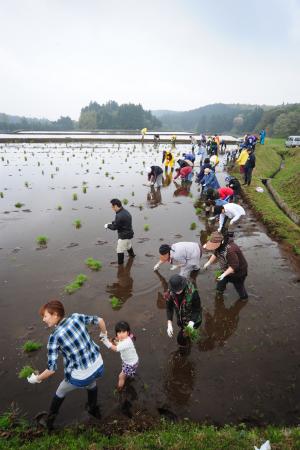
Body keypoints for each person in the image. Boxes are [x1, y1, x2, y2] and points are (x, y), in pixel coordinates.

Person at [27, 300, 107, 430]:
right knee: (91, 382)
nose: (43, 319)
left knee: (61, 390)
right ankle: (93, 408)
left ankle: (49, 421)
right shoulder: (76, 317)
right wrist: (104, 334)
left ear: (56, 315)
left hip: (82, 375)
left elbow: (51, 369)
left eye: (45, 316)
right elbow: (100, 320)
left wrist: (36, 379)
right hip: (99, 366)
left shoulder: (55, 337)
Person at [203, 231, 248, 300]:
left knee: (239, 287)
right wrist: (208, 263)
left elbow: (234, 266)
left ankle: (244, 298)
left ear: (221, 242)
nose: (213, 247)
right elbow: (216, 254)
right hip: (226, 269)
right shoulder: (219, 246)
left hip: (239, 272)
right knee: (220, 282)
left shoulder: (230, 250)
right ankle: (219, 292)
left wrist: (223, 275)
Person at [101, 321, 139, 391]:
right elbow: (117, 341)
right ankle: (130, 375)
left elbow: (116, 349)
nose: (121, 334)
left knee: (121, 376)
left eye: (123, 332)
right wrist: (111, 340)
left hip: (130, 364)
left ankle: (119, 389)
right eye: (119, 332)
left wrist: (105, 342)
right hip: (130, 361)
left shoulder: (127, 342)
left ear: (127, 333)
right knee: (127, 374)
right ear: (116, 333)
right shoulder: (124, 338)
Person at [165, 274, 202, 345]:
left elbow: (197, 310)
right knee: (184, 334)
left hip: (194, 320)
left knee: (181, 340)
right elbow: (169, 308)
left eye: (179, 289)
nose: (177, 292)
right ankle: (187, 340)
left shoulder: (193, 293)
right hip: (181, 320)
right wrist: (169, 323)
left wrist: (191, 323)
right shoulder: (170, 292)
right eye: (175, 290)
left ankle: (186, 346)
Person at [105, 199, 135, 265]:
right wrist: (112, 222)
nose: (112, 208)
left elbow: (114, 227)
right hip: (129, 233)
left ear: (115, 206)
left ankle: (120, 265)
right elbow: (119, 222)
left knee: (119, 250)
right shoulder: (125, 211)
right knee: (128, 246)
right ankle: (132, 256)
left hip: (123, 236)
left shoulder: (119, 215)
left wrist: (107, 225)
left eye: (112, 207)